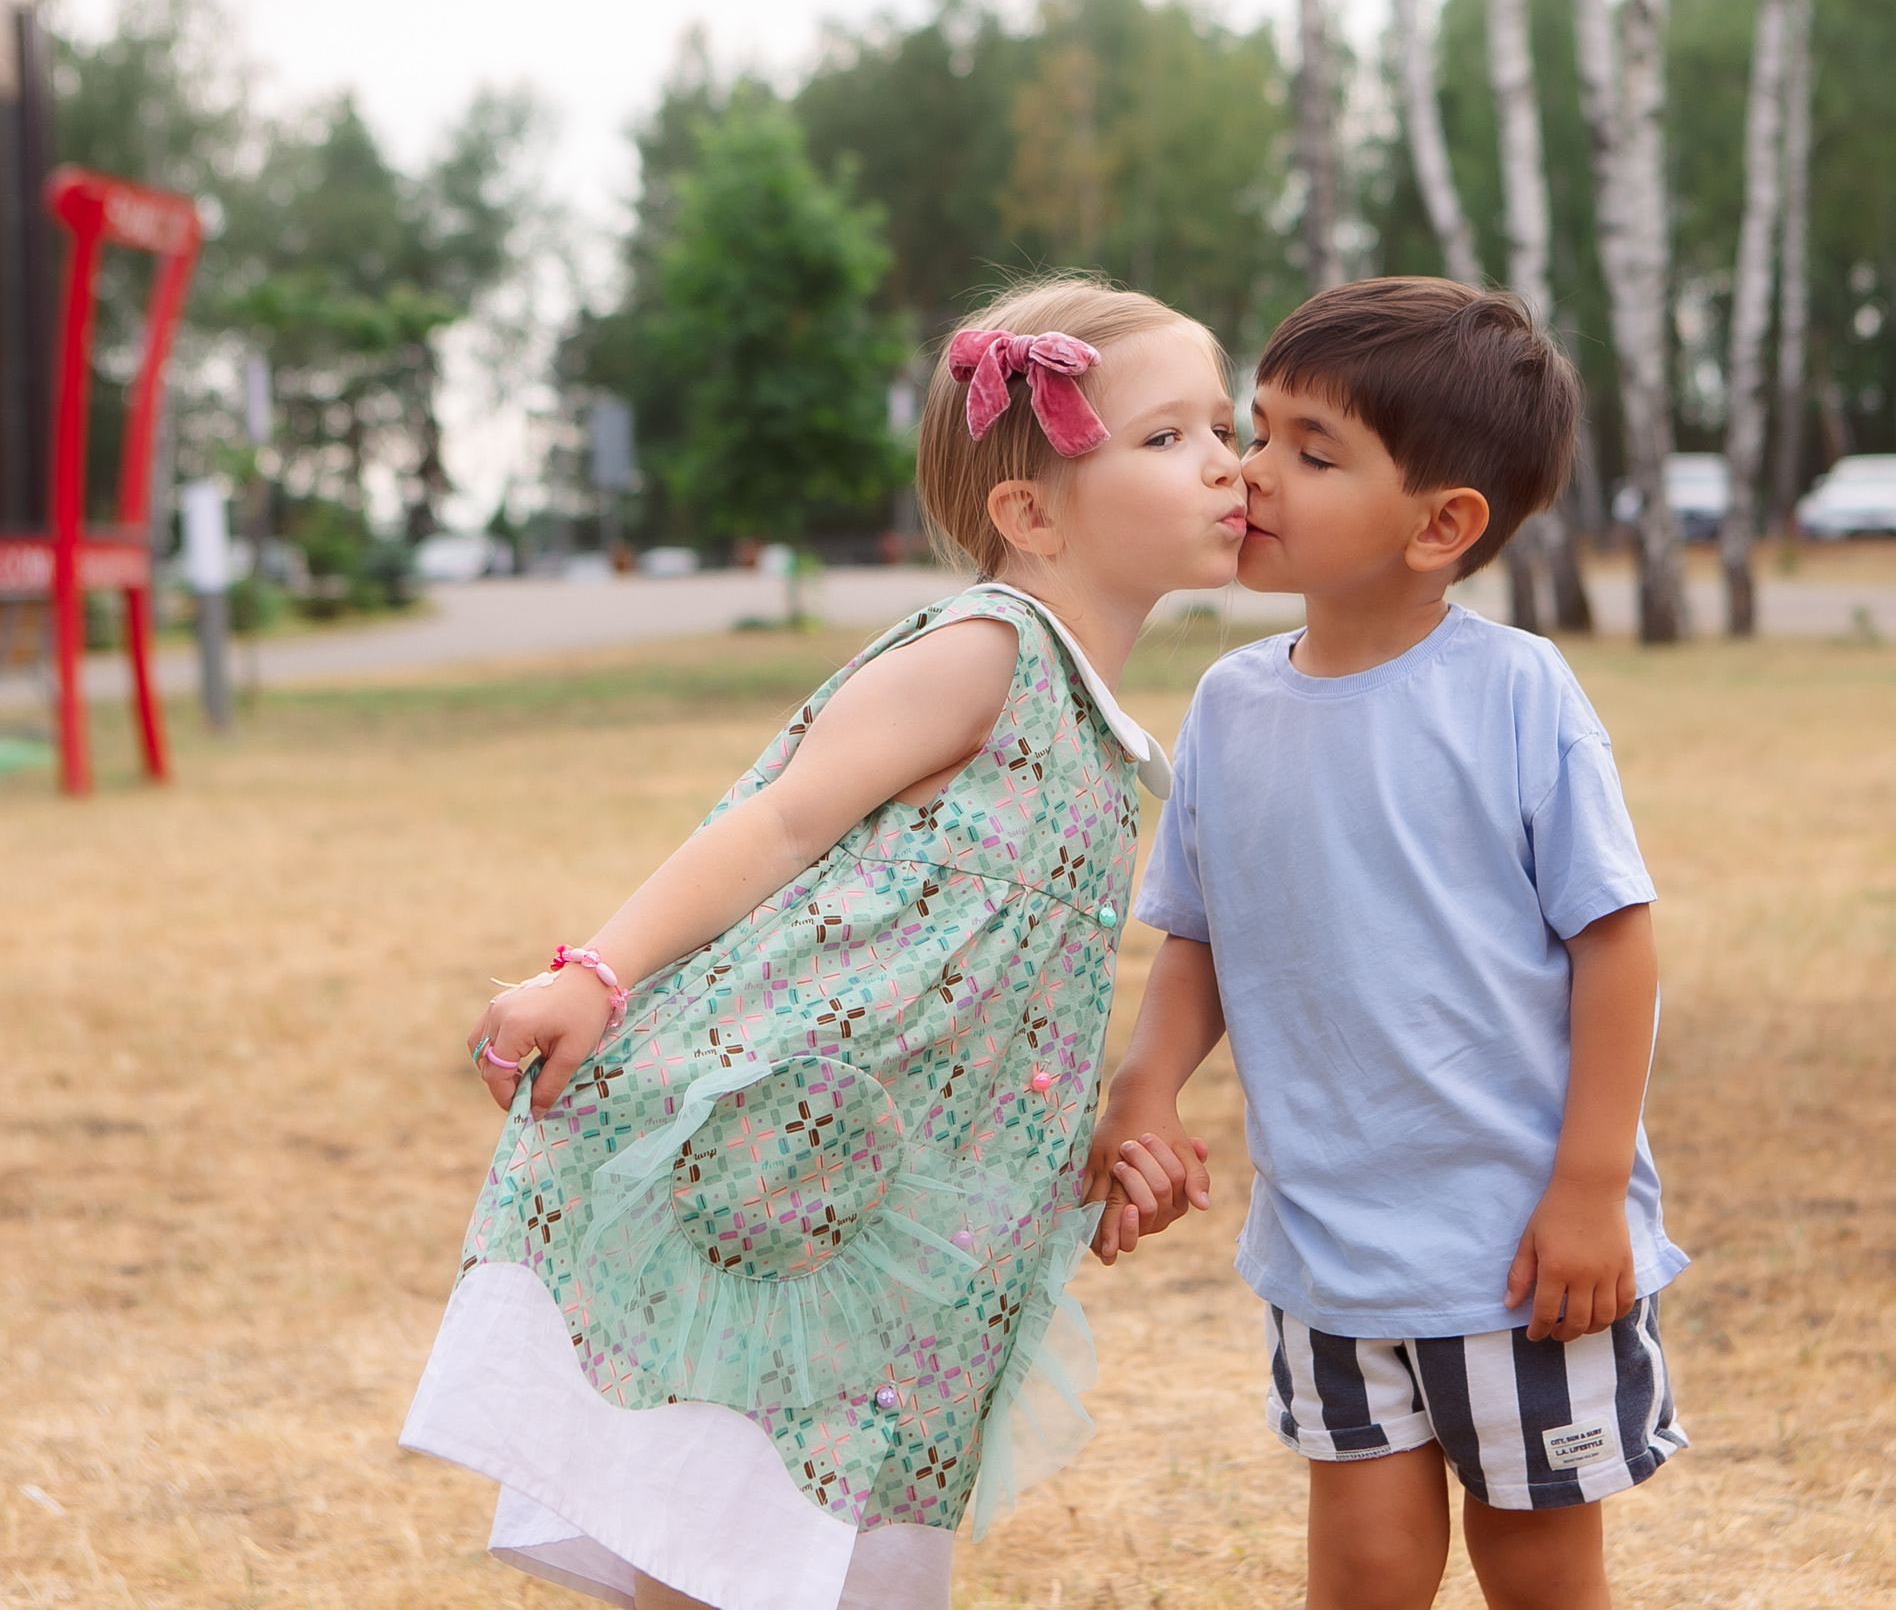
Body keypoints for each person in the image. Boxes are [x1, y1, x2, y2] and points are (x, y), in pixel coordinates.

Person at [401, 276, 1243, 1610]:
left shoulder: (1091, 723)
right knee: (726, 1504)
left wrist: (1076, 1133)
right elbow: (780, 818)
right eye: (1168, 436)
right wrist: (596, 973)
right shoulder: (988, 650)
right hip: (790, 1156)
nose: (1227, 463)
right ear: (1029, 516)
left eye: (1227, 427)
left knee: (819, 1520)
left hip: (900, 1196)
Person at [1083, 277, 1688, 1610]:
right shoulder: (1231, 705)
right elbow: (1200, 934)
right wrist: (1147, 1085)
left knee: (1537, 1568)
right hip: (1332, 1244)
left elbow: (1616, 942)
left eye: (1313, 451)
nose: (1250, 470)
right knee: (1362, 1568)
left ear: (1442, 526)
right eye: (1257, 429)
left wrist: (1590, 1189)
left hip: (1518, 1250)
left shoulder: (1516, 692)